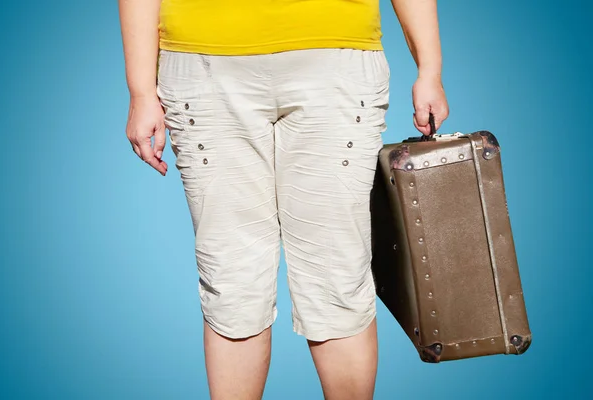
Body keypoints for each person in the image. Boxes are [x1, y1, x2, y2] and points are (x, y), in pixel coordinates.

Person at [119, 0, 449, 398]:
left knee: (337, 276)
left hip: (336, 54)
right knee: (231, 282)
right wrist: (140, 89)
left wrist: (430, 68)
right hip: (202, 62)